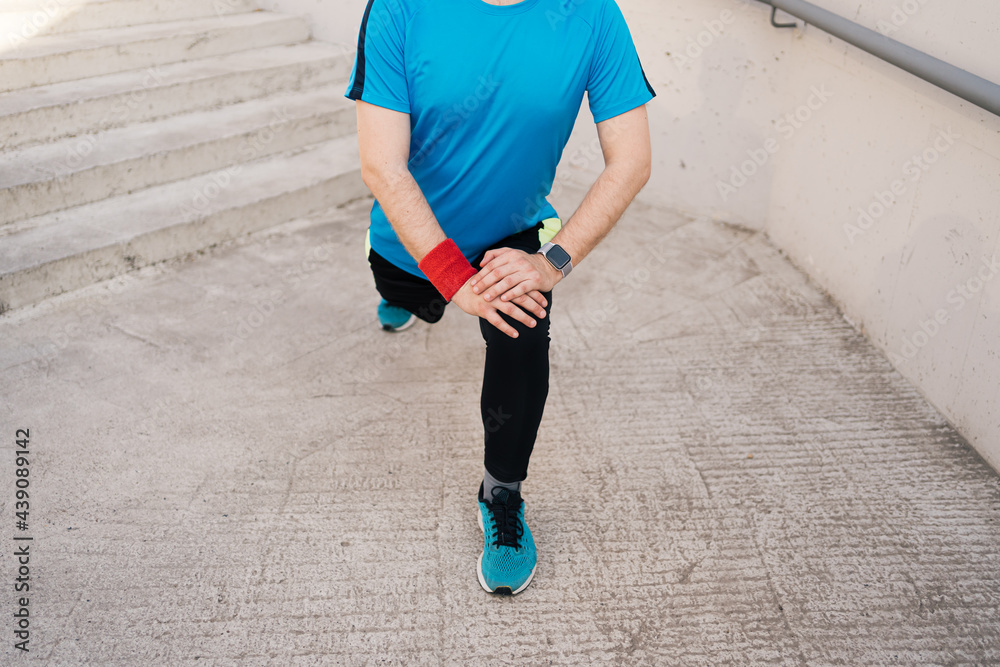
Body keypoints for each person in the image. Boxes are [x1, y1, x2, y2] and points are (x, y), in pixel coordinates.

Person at [345, 0, 654, 595]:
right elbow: (382, 165)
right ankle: (405, 297)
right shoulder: (399, 9)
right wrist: (451, 278)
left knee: (523, 331)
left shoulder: (590, 15)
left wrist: (550, 263)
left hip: (514, 231)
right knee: (401, 293)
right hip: (415, 238)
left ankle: (501, 494)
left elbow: (632, 161)